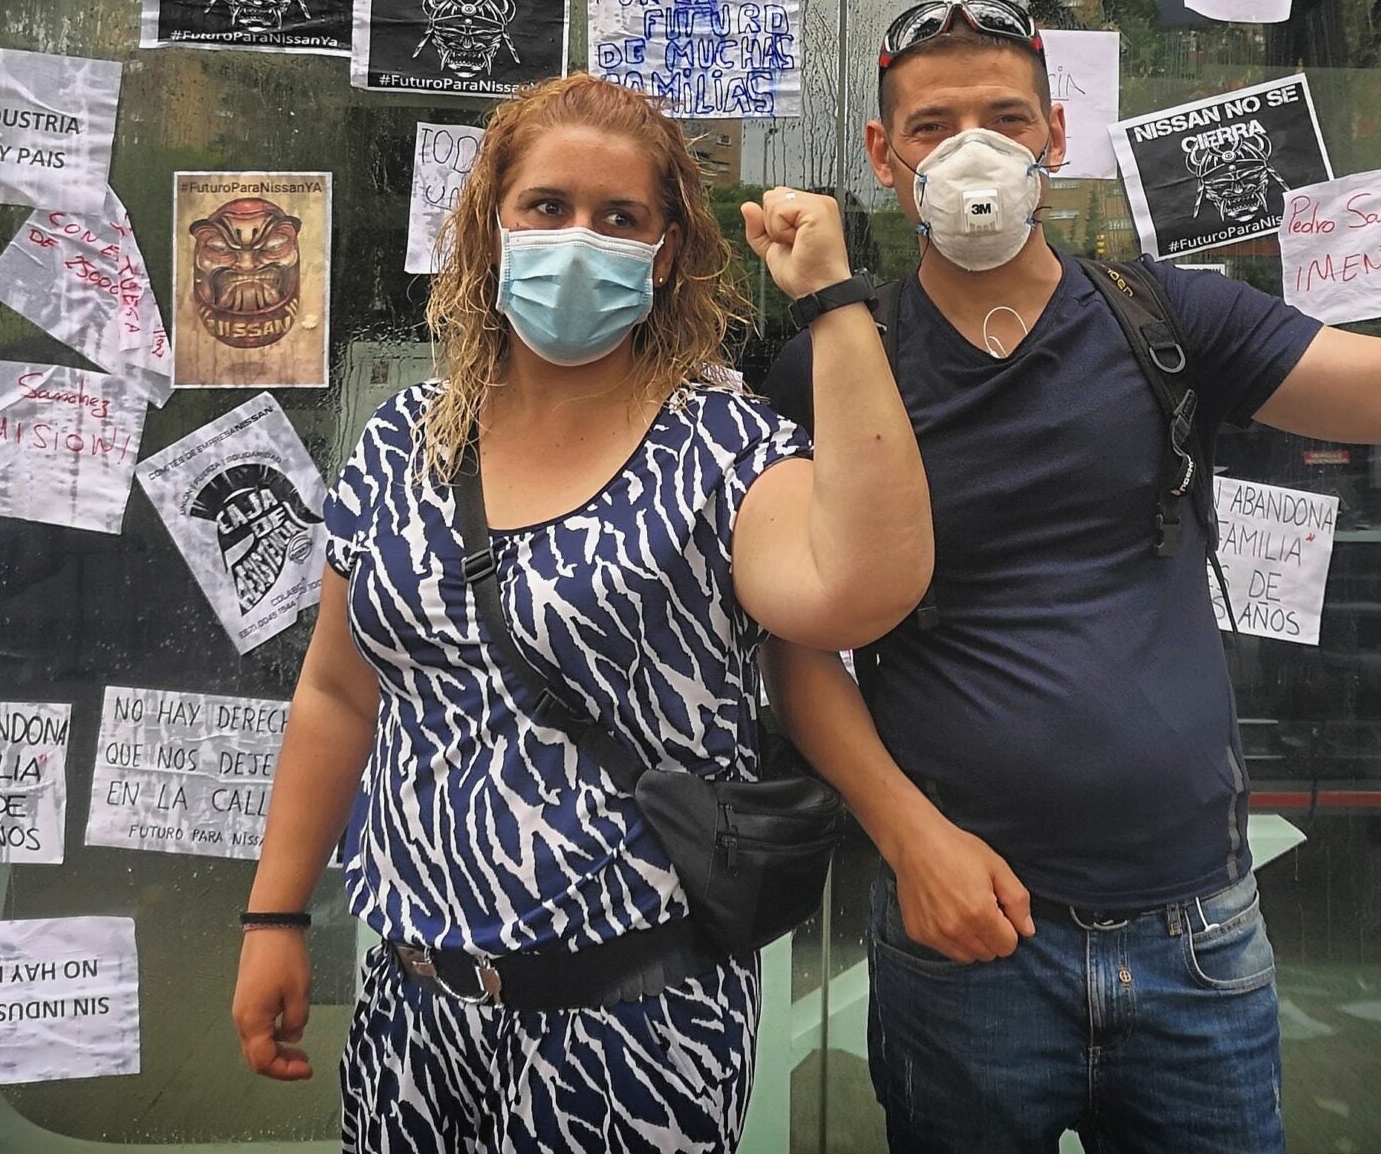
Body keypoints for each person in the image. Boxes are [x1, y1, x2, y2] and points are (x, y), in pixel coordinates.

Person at [765, 0, 1381, 1153]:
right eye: (931, 126)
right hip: (964, 937)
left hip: (1197, 931)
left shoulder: (1165, 316)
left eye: (1006, 117)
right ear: (882, 156)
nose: (974, 150)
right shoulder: (834, 356)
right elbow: (796, 642)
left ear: (1056, 134)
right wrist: (908, 837)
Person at [231, 72, 931, 1150]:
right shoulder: (401, 441)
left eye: (620, 218)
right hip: (413, 1003)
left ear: (663, 254)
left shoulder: (723, 449)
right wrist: (275, 915)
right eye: (547, 206)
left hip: (634, 1019)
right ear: (490, 225)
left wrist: (831, 306)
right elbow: (335, 691)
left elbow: (862, 588)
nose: (577, 237)